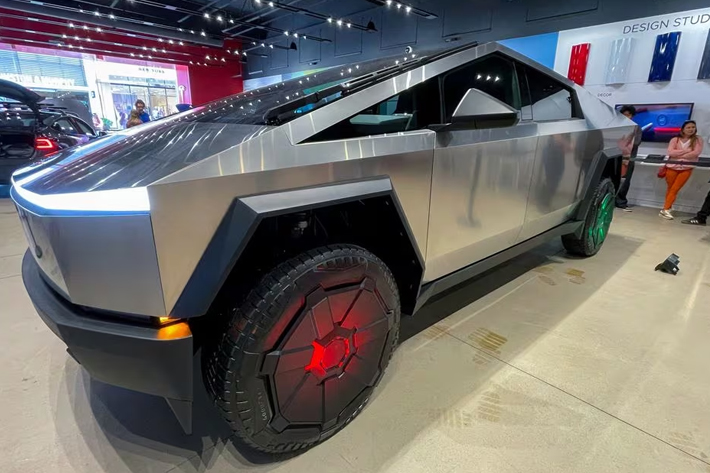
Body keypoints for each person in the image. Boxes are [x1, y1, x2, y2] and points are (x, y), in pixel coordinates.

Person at [659, 120, 703, 220]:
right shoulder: (675, 139)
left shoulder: (698, 139)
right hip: (671, 167)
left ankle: (665, 209)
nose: (691, 129)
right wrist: (686, 151)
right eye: (688, 127)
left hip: (686, 168)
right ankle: (667, 208)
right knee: (670, 188)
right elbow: (670, 152)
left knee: (675, 188)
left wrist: (679, 154)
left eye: (693, 127)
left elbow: (696, 153)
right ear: (683, 129)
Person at [616, 105, 642, 211]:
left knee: (625, 181)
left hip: (628, 158)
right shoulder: (616, 127)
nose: (626, 116)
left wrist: (624, 144)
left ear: (632, 115)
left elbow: (636, 142)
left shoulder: (636, 128)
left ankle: (621, 202)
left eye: (628, 114)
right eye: (624, 114)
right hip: (615, 157)